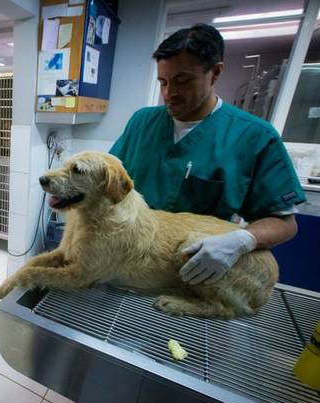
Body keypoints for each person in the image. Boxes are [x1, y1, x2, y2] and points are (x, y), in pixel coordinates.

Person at [110, 23, 306, 286]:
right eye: (163, 82)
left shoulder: (255, 136)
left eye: (182, 81)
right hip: (127, 266)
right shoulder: (141, 122)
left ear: (215, 72)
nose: (169, 94)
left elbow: (285, 222)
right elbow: (108, 183)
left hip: (194, 274)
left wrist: (242, 240)